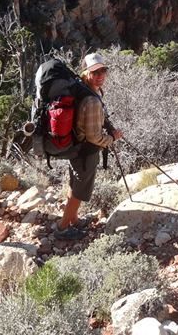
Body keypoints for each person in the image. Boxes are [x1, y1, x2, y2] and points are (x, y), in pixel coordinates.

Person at [53, 52, 123, 240]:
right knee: (79, 190)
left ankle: (73, 219)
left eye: (103, 70)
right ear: (86, 73)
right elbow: (94, 136)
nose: (100, 75)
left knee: (75, 184)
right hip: (86, 151)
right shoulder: (91, 99)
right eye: (95, 72)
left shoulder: (83, 89)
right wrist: (112, 138)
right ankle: (62, 227)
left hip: (75, 147)